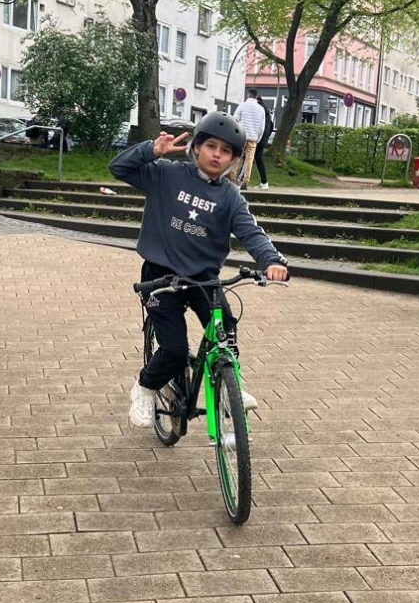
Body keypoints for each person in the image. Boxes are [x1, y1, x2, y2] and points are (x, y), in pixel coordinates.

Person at [109, 111, 290, 428]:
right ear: (196, 147)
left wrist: (272, 260)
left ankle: (229, 385)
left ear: (233, 159)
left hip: (202, 280)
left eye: (226, 151)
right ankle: (146, 386)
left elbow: (251, 233)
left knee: (226, 325)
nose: (217, 155)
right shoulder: (165, 174)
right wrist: (150, 151)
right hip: (159, 278)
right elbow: (118, 168)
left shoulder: (230, 197)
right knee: (176, 349)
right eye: (211, 146)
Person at [234, 89, 267, 192]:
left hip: (241, 136)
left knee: (237, 158)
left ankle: (232, 179)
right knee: (249, 160)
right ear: (257, 96)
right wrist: (258, 139)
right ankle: (245, 181)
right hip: (253, 138)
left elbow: (235, 120)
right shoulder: (261, 109)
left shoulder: (242, 106)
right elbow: (262, 127)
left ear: (248, 95)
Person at [252, 99, 274, 192]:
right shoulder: (267, 111)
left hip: (257, 138)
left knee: (248, 159)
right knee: (258, 160)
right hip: (262, 139)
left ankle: (241, 181)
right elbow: (271, 126)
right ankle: (264, 182)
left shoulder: (259, 110)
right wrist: (266, 137)